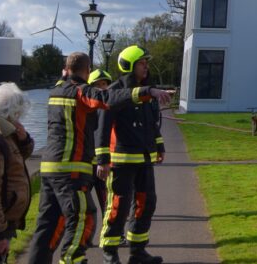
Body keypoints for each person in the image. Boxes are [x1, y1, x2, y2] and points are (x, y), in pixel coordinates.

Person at [26, 52, 171, 264]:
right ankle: (73, 259)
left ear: (66, 70)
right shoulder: (80, 91)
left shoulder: (56, 90)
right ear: (87, 71)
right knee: (84, 217)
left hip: (49, 168)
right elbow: (107, 99)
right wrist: (148, 91)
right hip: (71, 169)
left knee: (48, 223)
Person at [97, 46, 166, 264]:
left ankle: (137, 252)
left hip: (144, 159)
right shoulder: (114, 92)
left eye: (146, 63)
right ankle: (110, 252)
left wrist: (159, 145)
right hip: (121, 162)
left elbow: (151, 123)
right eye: (142, 63)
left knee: (147, 204)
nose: (146, 67)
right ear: (129, 66)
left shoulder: (144, 90)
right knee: (118, 205)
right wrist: (102, 160)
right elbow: (102, 128)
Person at [0, 83, 34, 264]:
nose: (19, 118)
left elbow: (16, 160)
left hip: (5, 220)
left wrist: (23, 140)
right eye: (17, 113)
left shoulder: (5, 134)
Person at [87, 69, 112, 223]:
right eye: (98, 84)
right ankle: (83, 236)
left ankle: (111, 230)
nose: (102, 87)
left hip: (103, 161)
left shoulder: (110, 108)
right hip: (87, 162)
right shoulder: (85, 108)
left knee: (106, 200)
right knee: (83, 203)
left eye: (104, 84)